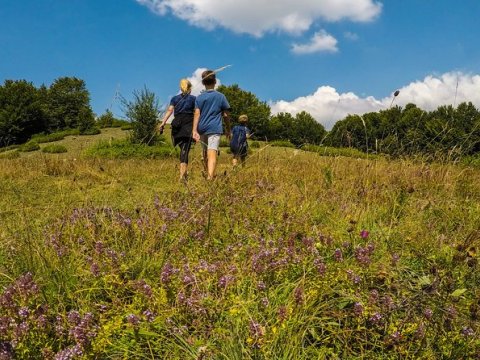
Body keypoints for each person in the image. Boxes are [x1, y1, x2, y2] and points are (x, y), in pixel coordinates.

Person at [192, 70, 231, 180]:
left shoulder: (199, 98)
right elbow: (226, 115)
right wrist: (228, 129)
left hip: (202, 128)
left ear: (203, 83)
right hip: (214, 128)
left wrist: (194, 130)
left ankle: (207, 172)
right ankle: (210, 177)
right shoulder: (221, 96)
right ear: (215, 81)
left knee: (205, 152)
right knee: (212, 152)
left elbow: (197, 113)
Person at [157, 79, 195, 181]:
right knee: (185, 150)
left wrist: (163, 122)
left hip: (177, 124)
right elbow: (197, 112)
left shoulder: (175, 99)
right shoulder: (193, 99)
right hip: (188, 124)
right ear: (190, 88)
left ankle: (183, 173)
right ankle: (182, 175)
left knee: (182, 149)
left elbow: (170, 110)